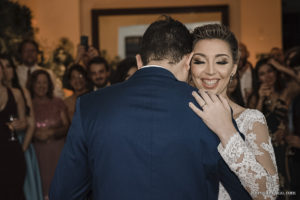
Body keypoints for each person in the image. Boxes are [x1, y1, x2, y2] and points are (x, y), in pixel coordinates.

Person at [50, 16, 251, 200]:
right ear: (188, 60)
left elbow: (63, 193)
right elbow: (244, 191)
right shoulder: (212, 108)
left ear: (139, 61)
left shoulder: (90, 105)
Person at [188, 24, 279, 200]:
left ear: (234, 68)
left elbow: (268, 194)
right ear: (189, 65)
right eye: (200, 61)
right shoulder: (179, 118)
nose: (210, 71)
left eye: (221, 61)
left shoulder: (251, 119)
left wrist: (226, 130)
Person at [0, 55, 43, 200]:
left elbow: (28, 122)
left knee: (17, 191)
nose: (4, 70)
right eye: (2, 66)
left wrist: (22, 148)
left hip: (15, 147)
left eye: (7, 66)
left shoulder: (18, 92)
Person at [248, 58, 290, 195]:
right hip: (264, 150)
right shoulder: (254, 96)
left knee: (288, 189)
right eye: (262, 73)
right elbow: (252, 126)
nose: (267, 76)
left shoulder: (286, 91)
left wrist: (281, 66)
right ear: (258, 77)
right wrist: (260, 99)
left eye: (270, 71)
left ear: (276, 72)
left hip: (285, 148)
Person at [27, 70, 69, 199]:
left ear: (49, 85)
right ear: (32, 84)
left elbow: (67, 127)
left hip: (57, 152)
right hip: (36, 154)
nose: (41, 86)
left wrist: (53, 132)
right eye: (38, 82)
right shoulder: (28, 104)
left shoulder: (58, 102)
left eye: (45, 82)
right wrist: (34, 134)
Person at [0, 60, 26, 199]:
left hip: (12, 152)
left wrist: (19, 124)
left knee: (14, 193)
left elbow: (24, 123)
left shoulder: (16, 93)